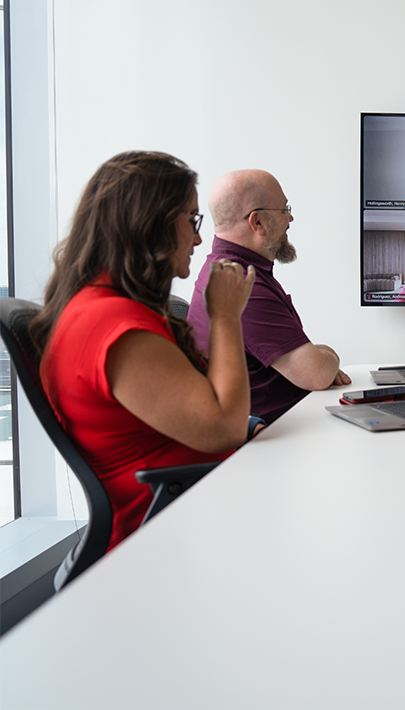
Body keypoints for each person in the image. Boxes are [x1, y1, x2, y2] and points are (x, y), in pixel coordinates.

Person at [34, 151, 258, 551]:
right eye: (190, 220)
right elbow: (222, 426)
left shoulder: (108, 308)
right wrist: (225, 315)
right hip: (173, 533)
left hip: (203, 509)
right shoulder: (112, 324)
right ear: (150, 224)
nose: (198, 237)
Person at [188, 169, 350, 425]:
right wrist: (327, 355)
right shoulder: (242, 283)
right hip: (270, 439)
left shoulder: (227, 270)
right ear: (258, 222)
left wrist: (314, 361)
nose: (291, 218)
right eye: (285, 210)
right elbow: (315, 374)